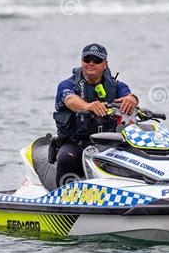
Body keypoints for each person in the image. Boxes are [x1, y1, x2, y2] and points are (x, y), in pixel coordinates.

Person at [53, 43, 139, 186]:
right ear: (82, 62)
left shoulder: (117, 86)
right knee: (66, 159)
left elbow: (129, 96)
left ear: (105, 64)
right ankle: (60, 201)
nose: (91, 64)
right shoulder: (67, 85)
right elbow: (69, 99)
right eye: (87, 59)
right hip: (76, 144)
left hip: (110, 145)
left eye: (97, 60)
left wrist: (133, 99)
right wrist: (87, 106)